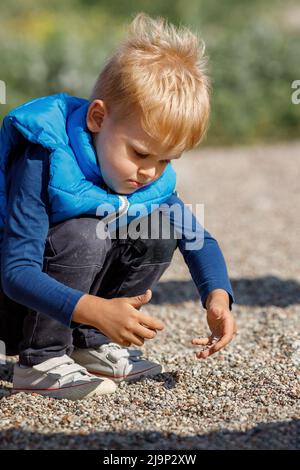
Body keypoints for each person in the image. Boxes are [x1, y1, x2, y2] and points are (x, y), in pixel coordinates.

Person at [0, 13, 236, 400]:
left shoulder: (146, 176)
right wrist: (95, 308)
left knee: (160, 225)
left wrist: (218, 298)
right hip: (15, 305)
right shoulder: (42, 156)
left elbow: (196, 237)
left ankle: (87, 346)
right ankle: (40, 361)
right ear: (97, 118)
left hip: (73, 308)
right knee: (84, 232)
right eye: (140, 153)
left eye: (165, 160)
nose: (149, 172)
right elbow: (16, 272)